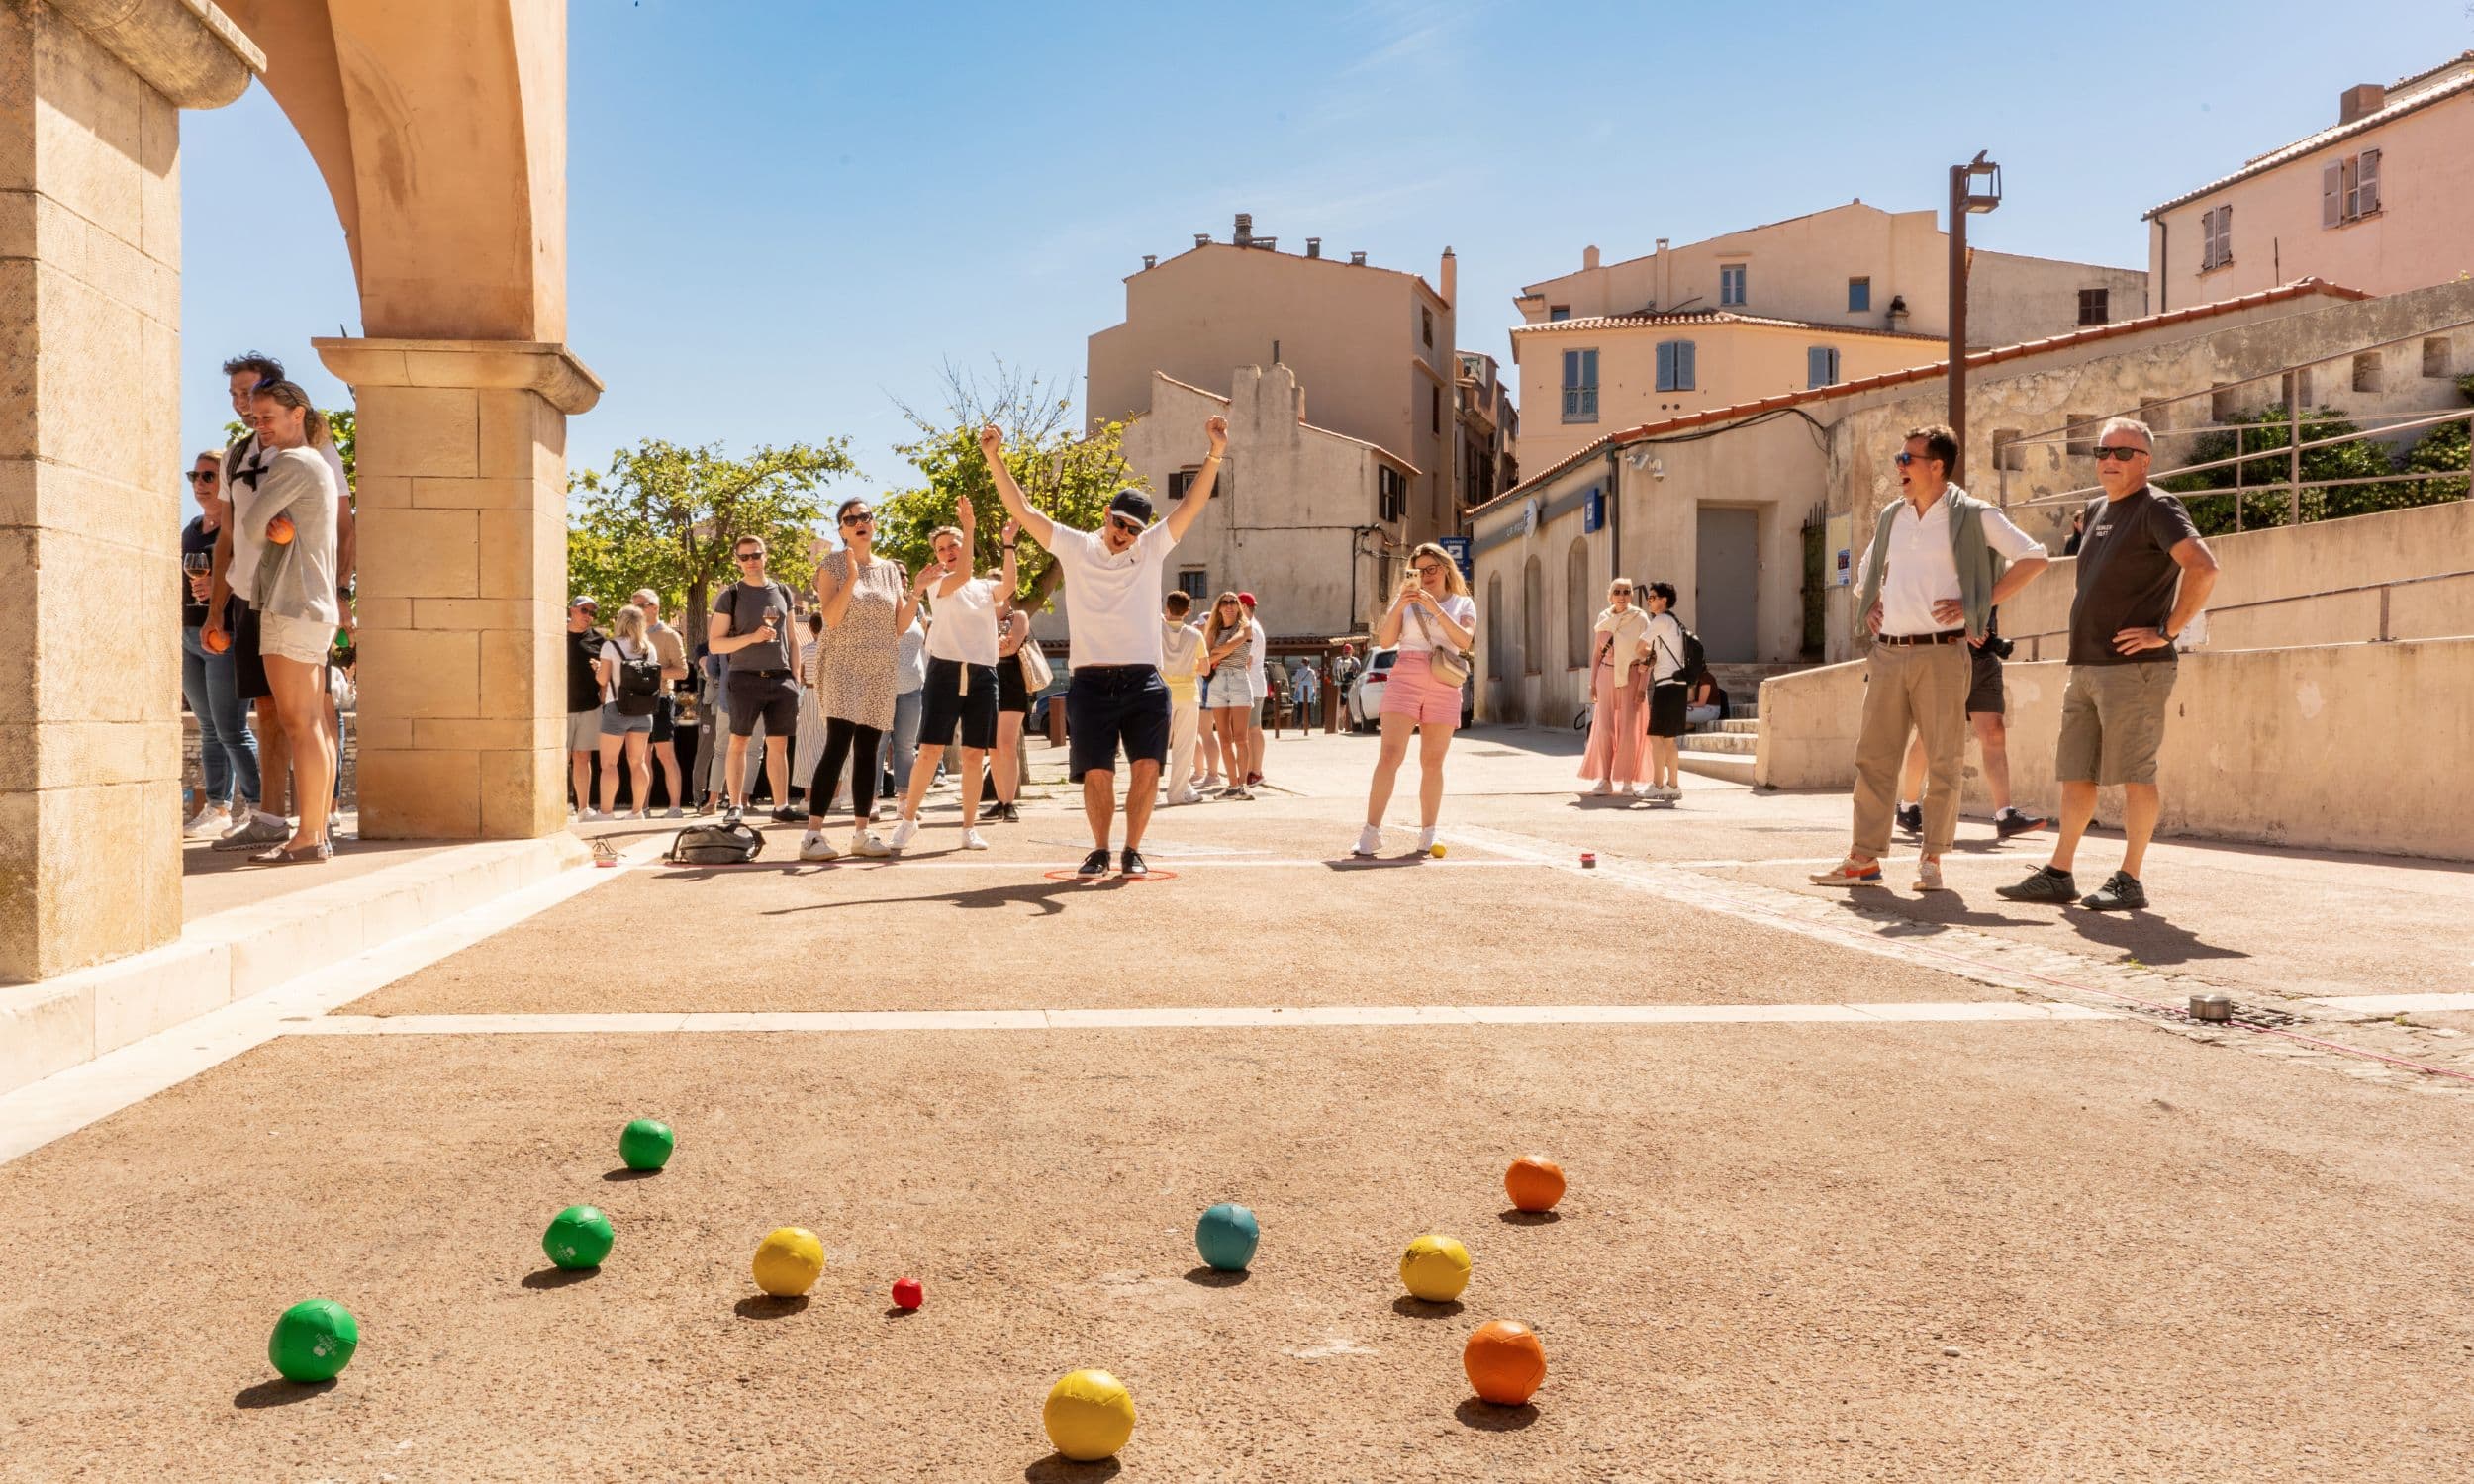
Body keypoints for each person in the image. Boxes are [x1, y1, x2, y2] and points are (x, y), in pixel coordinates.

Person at [982, 414, 1226, 878]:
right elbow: (1025, 510)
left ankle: (1133, 849)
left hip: (1144, 679)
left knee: (1147, 767)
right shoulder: (1075, 547)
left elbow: (1190, 506)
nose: (1124, 534)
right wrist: (994, 458)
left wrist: (1215, 452)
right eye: (1120, 523)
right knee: (1098, 772)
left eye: (1133, 528)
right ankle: (1099, 849)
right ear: (1106, 515)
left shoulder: (1151, 548)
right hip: (1090, 681)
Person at [1813, 424, 2051, 892]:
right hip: (1887, 652)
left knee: (1943, 759)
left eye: (1907, 459)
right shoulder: (1892, 516)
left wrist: (1977, 604)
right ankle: (1863, 859)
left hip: (1943, 653)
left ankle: (1932, 859)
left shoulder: (1975, 515)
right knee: (1874, 758)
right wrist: (1870, 601)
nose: (1898, 467)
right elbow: (1866, 573)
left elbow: (2034, 558)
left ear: (1937, 466)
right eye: (1898, 458)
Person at [1999, 417, 2219, 912]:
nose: (2109, 461)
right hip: (2086, 665)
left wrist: (2166, 631)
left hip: (2134, 670)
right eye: (2102, 452)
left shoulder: (2158, 507)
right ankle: (2059, 873)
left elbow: (2204, 567)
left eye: (2122, 453)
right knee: (2076, 772)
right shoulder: (2097, 508)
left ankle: (2130, 879)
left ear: (2146, 461)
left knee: (2136, 774)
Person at [209, 352, 353, 852]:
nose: (255, 417)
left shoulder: (299, 459)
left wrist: (341, 589)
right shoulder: (257, 457)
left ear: (296, 412)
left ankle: (312, 831)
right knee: (300, 719)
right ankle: (300, 828)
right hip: (287, 603)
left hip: (290, 603)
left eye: (264, 410)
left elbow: (252, 527)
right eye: (249, 408)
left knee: (302, 721)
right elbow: (239, 533)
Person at [890, 497, 1015, 852]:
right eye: (942, 548)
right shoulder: (937, 582)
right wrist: (969, 528)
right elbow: (961, 574)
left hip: (983, 673)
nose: (948, 552)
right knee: (930, 750)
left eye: (953, 545)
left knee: (974, 755)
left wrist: (1008, 544)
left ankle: (968, 828)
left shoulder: (983, 587)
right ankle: (908, 820)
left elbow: (1008, 585)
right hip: (944, 671)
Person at [802, 498, 916, 861]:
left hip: (880, 668)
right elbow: (832, 618)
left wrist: (917, 592)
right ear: (842, 531)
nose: (859, 522)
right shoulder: (832, 565)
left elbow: (899, 626)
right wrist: (851, 578)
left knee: (868, 750)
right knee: (838, 745)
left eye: (864, 516)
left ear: (873, 523)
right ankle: (812, 836)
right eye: (850, 520)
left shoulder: (889, 570)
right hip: (842, 665)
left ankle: (862, 833)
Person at [1354, 543, 1477, 857]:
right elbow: (1385, 641)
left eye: (1431, 569)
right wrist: (1400, 604)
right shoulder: (1405, 603)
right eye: (1418, 571)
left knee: (1432, 762)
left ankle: (1429, 832)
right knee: (1390, 756)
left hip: (1444, 679)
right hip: (1406, 674)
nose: (1426, 575)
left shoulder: (1463, 603)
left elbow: (1464, 640)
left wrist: (1434, 607)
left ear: (1445, 568)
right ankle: (1370, 833)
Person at [1895, 609, 2047, 842]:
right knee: (1929, 736)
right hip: (1945, 656)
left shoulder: (1989, 583)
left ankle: (2005, 815)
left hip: (1984, 659)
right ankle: (1908, 806)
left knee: (1994, 731)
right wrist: (1961, 627)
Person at [181, 449, 260, 837]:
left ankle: (260, 807)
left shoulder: (237, 527)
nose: (199, 483)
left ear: (225, 482)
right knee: (208, 728)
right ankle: (218, 808)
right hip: (188, 636)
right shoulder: (191, 530)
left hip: (224, 637)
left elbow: (250, 572)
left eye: (208, 476)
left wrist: (217, 585)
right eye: (194, 476)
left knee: (231, 728)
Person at [710, 535, 802, 826]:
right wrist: (752, 637)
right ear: (737, 561)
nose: (751, 561)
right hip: (745, 677)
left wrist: (795, 677)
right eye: (745, 557)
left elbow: (792, 639)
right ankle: (735, 805)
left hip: (781, 678)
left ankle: (781, 806)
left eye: (756, 555)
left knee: (778, 745)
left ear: (765, 556)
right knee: (739, 741)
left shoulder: (783, 591)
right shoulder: (731, 595)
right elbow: (715, 644)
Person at [1580, 578, 1651, 796]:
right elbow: (1596, 655)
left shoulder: (1640, 618)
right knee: (1604, 729)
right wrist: (1592, 683)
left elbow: (1649, 655)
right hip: (1606, 676)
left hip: (1632, 676)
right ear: (1610, 595)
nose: (1622, 595)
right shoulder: (1604, 618)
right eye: (1617, 591)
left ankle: (1628, 781)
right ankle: (1605, 779)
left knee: (1629, 730)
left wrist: (1642, 686)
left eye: (1626, 591)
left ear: (1631, 595)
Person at [629, 590, 693, 816]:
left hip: (661, 700)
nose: (635, 610)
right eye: (633, 605)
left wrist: (651, 671)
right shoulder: (631, 636)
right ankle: (641, 808)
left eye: (640, 605)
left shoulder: (670, 636)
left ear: (654, 608)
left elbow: (682, 672)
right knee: (641, 757)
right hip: (636, 701)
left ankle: (675, 808)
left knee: (665, 755)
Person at [594, 603, 660, 818]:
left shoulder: (610, 646)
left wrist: (598, 669)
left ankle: (605, 813)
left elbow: (602, 679)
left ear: (620, 623)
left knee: (609, 763)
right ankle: (638, 811)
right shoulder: (649, 648)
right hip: (644, 711)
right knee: (638, 762)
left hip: (617, 709)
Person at [980, 564, 1032, 823]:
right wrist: (994, 644)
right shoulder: (980, 617)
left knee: (1007, 744)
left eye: (996, 583)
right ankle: (1000, 801)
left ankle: (1010, 803)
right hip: (986, 681)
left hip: (1011, 683)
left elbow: (1011, 648)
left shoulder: (1018, 616)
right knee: (992, 747)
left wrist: (990, 646)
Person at [1201, 592, 1260, 800]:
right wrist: (1216, 654)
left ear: (1239, 607)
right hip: (1217, 683)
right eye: (1224, 602)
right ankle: (1233, 785)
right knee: (1224, 739)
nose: (1229, 606)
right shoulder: (1213, 631)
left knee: (1241, 738)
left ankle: (1243, 785)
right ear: (1218, 607)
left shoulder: (1245, 627)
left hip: (1238, 681)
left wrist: (1217, 652)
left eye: (1233, 602)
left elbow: (1231, 645)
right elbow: (1205, 659)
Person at [1640, 582, 1690, 802]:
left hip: (1666, 686)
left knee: (1655, 737)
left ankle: (1657, 785)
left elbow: (1639, 647)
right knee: (1669, 739)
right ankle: (1673, 787)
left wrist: (1644, 658)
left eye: (1652, 598)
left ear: (1664, 600)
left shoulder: (1660, 620)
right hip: (1678, 686)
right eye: (1648, 598)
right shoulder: (1675, 623)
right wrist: (1652, 658)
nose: (1649, 602)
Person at [563, 598, 608, 818]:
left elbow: (606, 676)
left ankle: (583, 809)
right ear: (572, 610)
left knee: (583, 757)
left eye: (591, 612)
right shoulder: (555, 635)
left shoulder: (599, 640)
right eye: (584, 610)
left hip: (589, 707)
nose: (588, 616)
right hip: (560, 709)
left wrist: (601, 673)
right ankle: (559, 806)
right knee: (560, 759)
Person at [1160, 591, 1204, 805]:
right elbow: (1205, 668)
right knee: (1184, 747)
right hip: (1188, 694)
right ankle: (1176, 794)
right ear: (1187, 611)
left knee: (1157, 745)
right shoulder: (1195, 635)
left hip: (1162, 694)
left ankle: (1148, 789)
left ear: (1167, 608)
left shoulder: (1157, 630)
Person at [892, 609, 930, 812]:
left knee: (906, 746)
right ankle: (871, 801)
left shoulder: (918, 608)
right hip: (882, 687)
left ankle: (905, 800)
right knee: (877, 746)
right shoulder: (883, 602)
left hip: (913, 687)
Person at [1237, 592, 1269, 787]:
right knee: (1251, 730)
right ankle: (1251, 771)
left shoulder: (1251, 630)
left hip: (1252, 686)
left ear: (1244, 607)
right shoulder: (1252, 627)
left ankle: (1255, 772)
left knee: (1253, 729)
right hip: (1253, 685)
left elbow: (1246, 661)